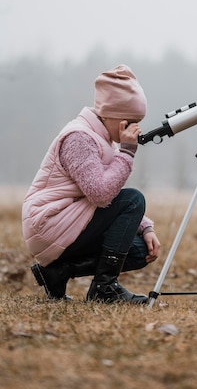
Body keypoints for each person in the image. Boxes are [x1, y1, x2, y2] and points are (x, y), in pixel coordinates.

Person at [22, 64, 160, 304]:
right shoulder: (79, 138)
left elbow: (109, 198)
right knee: (134, 198)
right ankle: (104, 289)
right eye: (131, 121)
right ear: (111, 114)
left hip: (70, 220)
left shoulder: (102, 138)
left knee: (139, 251)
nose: (136, 129)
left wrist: (145, 228)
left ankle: (57, 272)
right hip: (49, 222)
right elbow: (100, 195)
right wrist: (127, 152)